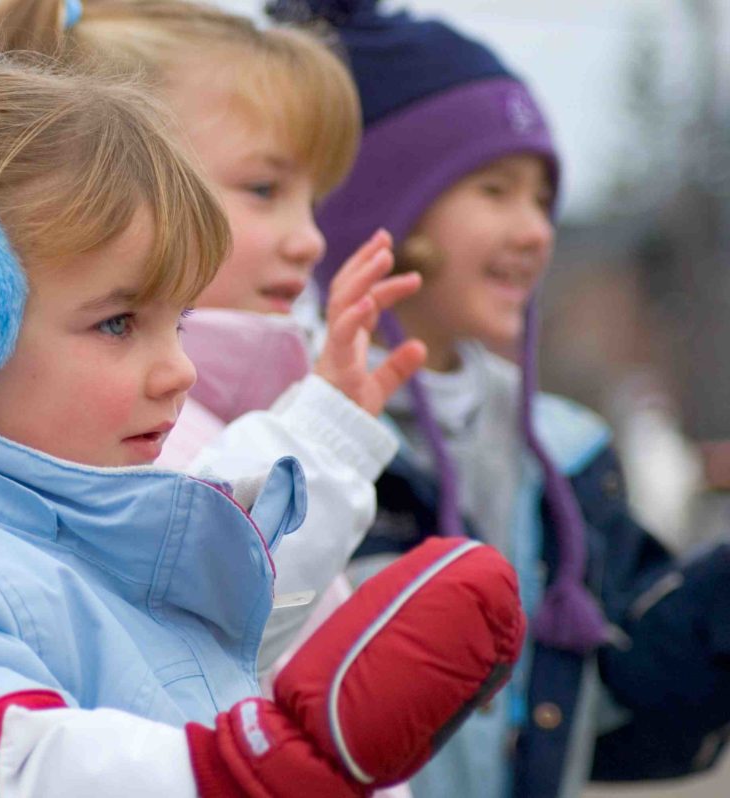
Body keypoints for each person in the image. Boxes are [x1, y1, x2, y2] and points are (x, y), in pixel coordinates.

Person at [0, 19, 527, 797]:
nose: (177, 370)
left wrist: (329, 431)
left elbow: (186, 605)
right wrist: (251, 769)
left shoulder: (64, 528)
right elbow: (20, 771)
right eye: (117, 322)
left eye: (179, 321)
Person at [279, 2, 730, 796]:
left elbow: (621, 709)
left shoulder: (564, 451)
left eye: (542, 198)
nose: (536, 231)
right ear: (381, 207)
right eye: (495, 190)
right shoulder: (288, 435)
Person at [0, 0, 426, 675]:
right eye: (264, 188)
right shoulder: (115, 432)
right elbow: (203, 633)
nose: (311, 240)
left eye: (314, 199)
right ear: (114, 185)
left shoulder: (246, 409)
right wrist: (324, 428)